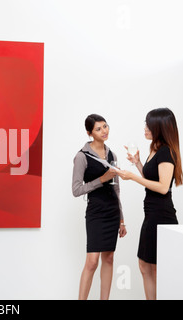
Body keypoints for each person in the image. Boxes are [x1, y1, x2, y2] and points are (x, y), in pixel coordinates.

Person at [117, 108, 183, 300]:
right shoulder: (154, 149)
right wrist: (138, 164)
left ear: (159, 127)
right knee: (145, 265)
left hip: (162, 215)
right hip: (151, 213)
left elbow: (163, 187)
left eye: (148, 125)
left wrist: (132, 177)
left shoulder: (166, 152)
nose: (145, 128)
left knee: (157, 267)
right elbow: (152, 179)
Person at [72, 114, 127, 300]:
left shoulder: (113, 155)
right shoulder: (81, 156)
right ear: (89, 133)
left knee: (109, 258)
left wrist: (121, 219)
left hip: (112, 211)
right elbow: (77, 189)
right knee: (92, 261)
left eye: (105, 126)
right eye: (98, 129)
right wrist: (101, 179)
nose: (104, 131)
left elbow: (116, 189)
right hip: (96, 211)